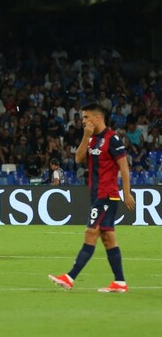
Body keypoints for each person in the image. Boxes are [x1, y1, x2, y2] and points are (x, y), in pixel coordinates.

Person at [49, 103, 135, 293]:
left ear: (97, 118)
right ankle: (120, 282)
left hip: (107, 195)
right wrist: (86, 136)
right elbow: (78, 159)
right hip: (96, 195)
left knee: (91, 233)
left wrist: (126, 193)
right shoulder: (92, 139)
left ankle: (70, 277)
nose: (84, 121)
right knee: (108, 239)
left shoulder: (112, 139)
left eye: (86, 117)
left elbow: (124, 167)